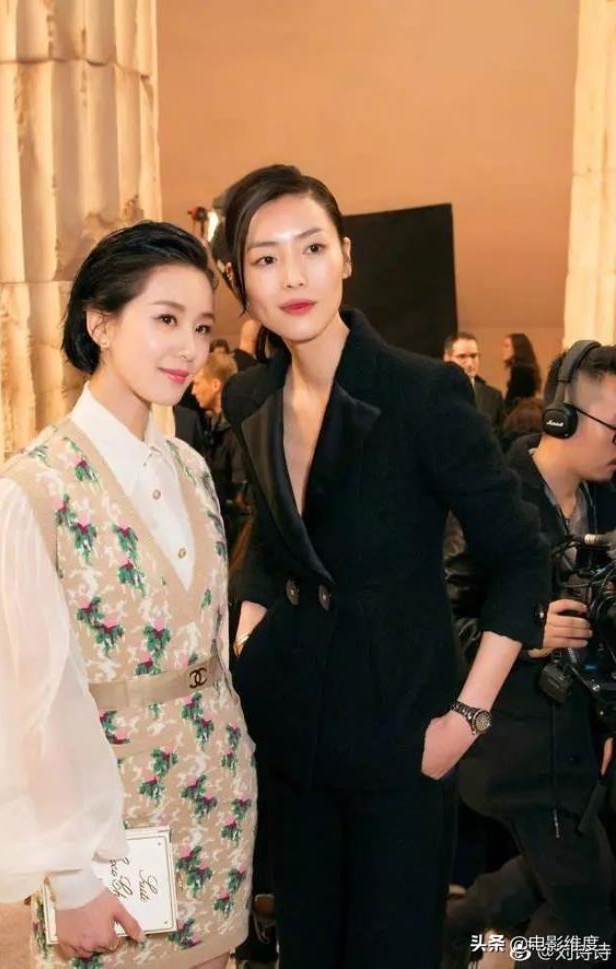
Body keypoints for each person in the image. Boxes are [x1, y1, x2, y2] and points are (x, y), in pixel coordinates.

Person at [220, 164, 550, 969]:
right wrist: (248, 638)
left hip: (403, 732)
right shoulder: (250, 398)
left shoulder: (423, 393)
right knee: (306, 950)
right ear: (241, 282)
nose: (292, 276)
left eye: (311, 247)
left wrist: (464, 721)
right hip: (290, 732)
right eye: (265, 258)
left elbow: (520, 560)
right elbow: (274, 540)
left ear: (346, 255)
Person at [0, 221, 256, 969]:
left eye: (201, 327)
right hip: (107, 828)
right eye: (165, 319)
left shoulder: (191, 467)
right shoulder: (32, 492)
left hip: (216, 798)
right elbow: (23, 703)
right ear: (101, 322)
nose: (188, 348)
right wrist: (70, 877)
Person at [444, 342, 616, 967]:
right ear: (561, 419)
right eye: (613, 426)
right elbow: (440, 623)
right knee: (589, 926)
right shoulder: (493, 500)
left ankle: (456, 934)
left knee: (569, 879)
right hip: (517, 746)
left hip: (579, 741)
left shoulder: (603, 498)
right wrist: (527, 631)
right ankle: (493, 948)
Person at [192, 352, 248, 555]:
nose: (193, 391)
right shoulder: (214, 427)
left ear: (215, 385)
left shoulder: (238, 430)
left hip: (234, 539)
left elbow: (241, 499)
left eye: (197, 383)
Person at [444, 331, 505, 436]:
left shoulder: (493, 396)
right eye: (462, 356)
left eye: (473, 356)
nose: (469, 363)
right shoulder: (436, 394)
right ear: (447, 358)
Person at [503, 332, 541, 413]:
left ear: (517, 348)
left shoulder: (520, 371)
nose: (503, 349)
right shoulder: (527, 369)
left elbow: (512, 401)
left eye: (507, 346)